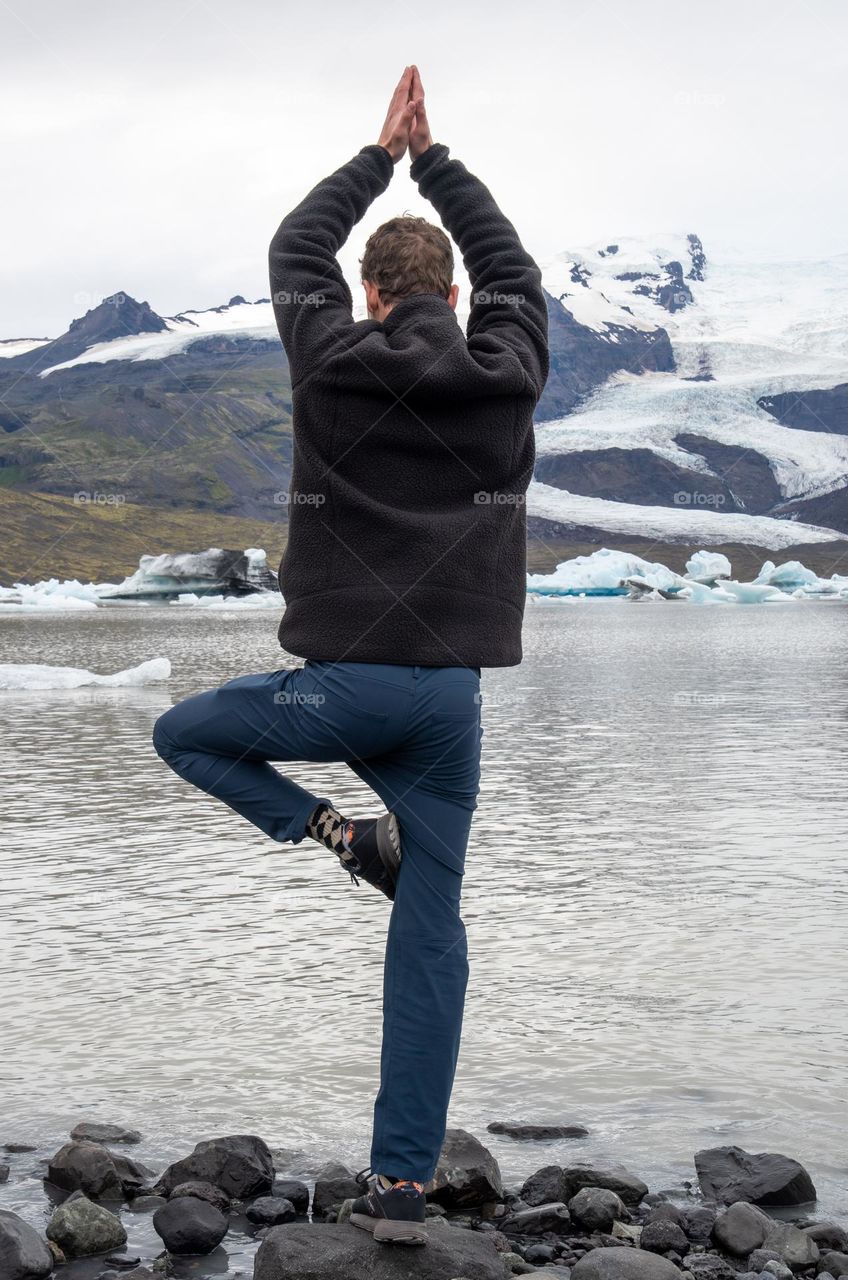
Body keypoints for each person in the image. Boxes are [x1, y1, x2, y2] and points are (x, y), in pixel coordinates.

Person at [152, 64, 549, 1246]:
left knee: (185, 732)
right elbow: (520, 275)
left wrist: (383, 156)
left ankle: (334, 833)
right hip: (447, 706)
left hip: (335, 692)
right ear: (457, 295)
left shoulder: (332, 357)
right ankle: (400, 1187)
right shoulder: (506, 371)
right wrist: (440, 164)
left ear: (368, 294)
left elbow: (294, 247)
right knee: (429, 932)